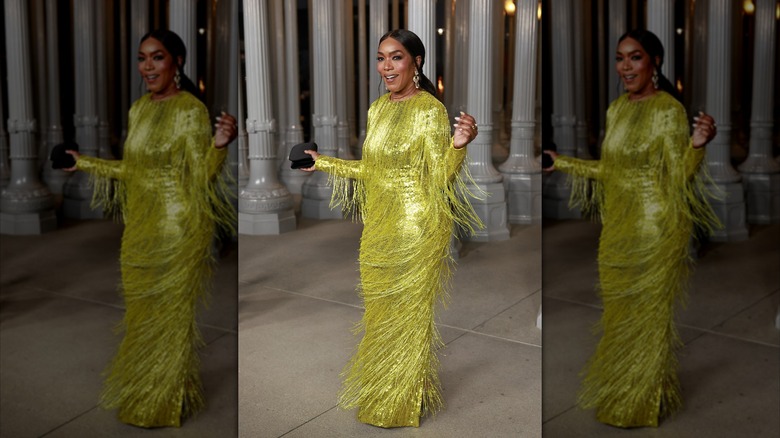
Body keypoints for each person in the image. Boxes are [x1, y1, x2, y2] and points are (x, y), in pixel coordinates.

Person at [300, 29, 482, 428]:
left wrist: (458, 145)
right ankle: (388, 395)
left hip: (418, 228)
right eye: (381, 58)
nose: (386, 66)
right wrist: (323, 162)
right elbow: (372, 171)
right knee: (380, 316)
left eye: (396, 57)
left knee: (408, 318)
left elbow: (440, 178)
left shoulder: (429, 110)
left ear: (416, 62)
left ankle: (399, 406)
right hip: (378, 228)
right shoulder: (377, 109)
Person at [544, 29, 720, 428]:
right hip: (617, 231)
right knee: (619, 317)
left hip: (656, 229)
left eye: (635, 57)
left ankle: (639, 406)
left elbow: (678, 176)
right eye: (620, 58)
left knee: (648, 320)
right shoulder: (616, 109)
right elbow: (612, 171)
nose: (625, 66)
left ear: (654, 62)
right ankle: (627, 395)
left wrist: (696, 145)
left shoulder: (668, 110)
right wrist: (562, 162)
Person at [64, 29, 237, 428]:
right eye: (142, 58)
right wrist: (83, 162)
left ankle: (160, 405)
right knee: (142, 317)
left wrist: (218, 146)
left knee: (170, 320)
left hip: (179, 230)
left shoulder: (191, 110)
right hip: (139, 231)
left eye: (157, 57)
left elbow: (201, 177)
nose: (147, 66)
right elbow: (133, 170)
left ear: (177, 62)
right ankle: (154, 392)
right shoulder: (138, 109)